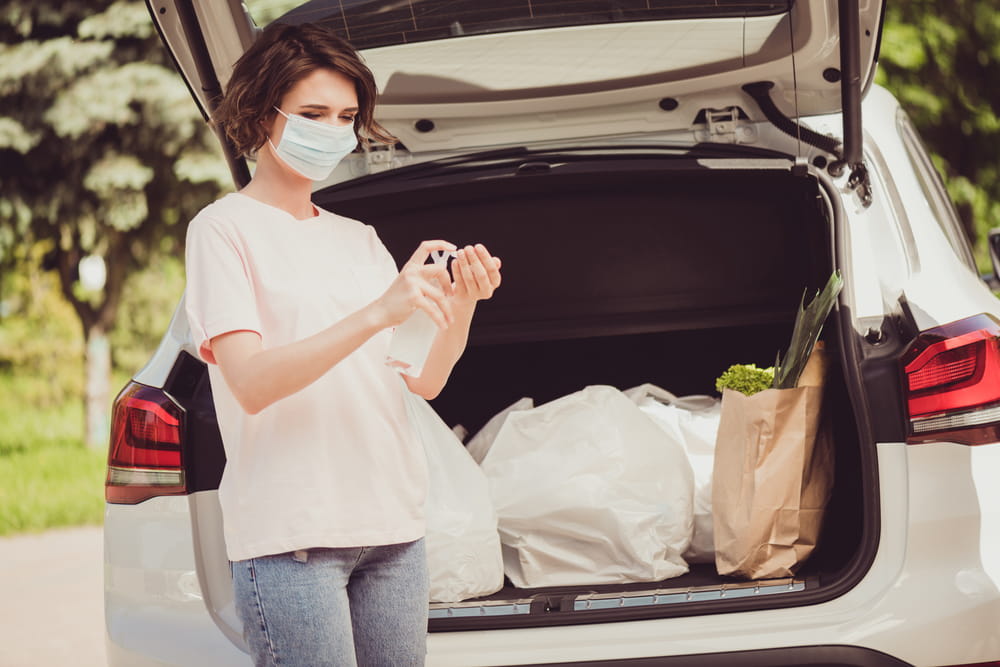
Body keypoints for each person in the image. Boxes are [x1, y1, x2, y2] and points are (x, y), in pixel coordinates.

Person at [183, 21, 502, 666]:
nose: (332, 130)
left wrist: (462, 307)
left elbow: (420, 378)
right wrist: (377, 310)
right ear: (259, 113)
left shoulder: (359, 237)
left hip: (392, 533)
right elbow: (250, 382)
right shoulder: (223, 230)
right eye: (312, 113)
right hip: (293, 540)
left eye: (346, 115)